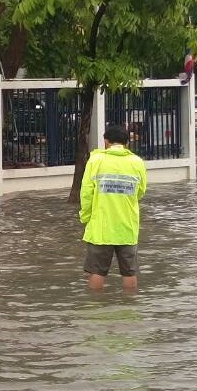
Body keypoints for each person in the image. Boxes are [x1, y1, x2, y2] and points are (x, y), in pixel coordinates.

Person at [79, 123, 148, 292]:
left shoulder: (96, 160)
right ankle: (130, 309)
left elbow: (86, 194)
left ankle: (95, 308)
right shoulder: (137, 162)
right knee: (130, 272)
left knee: (97, 272)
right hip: (128, 227)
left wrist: (85, 217)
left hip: (101, 229)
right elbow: (141, 191)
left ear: (106, 142)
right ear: (127, 143)